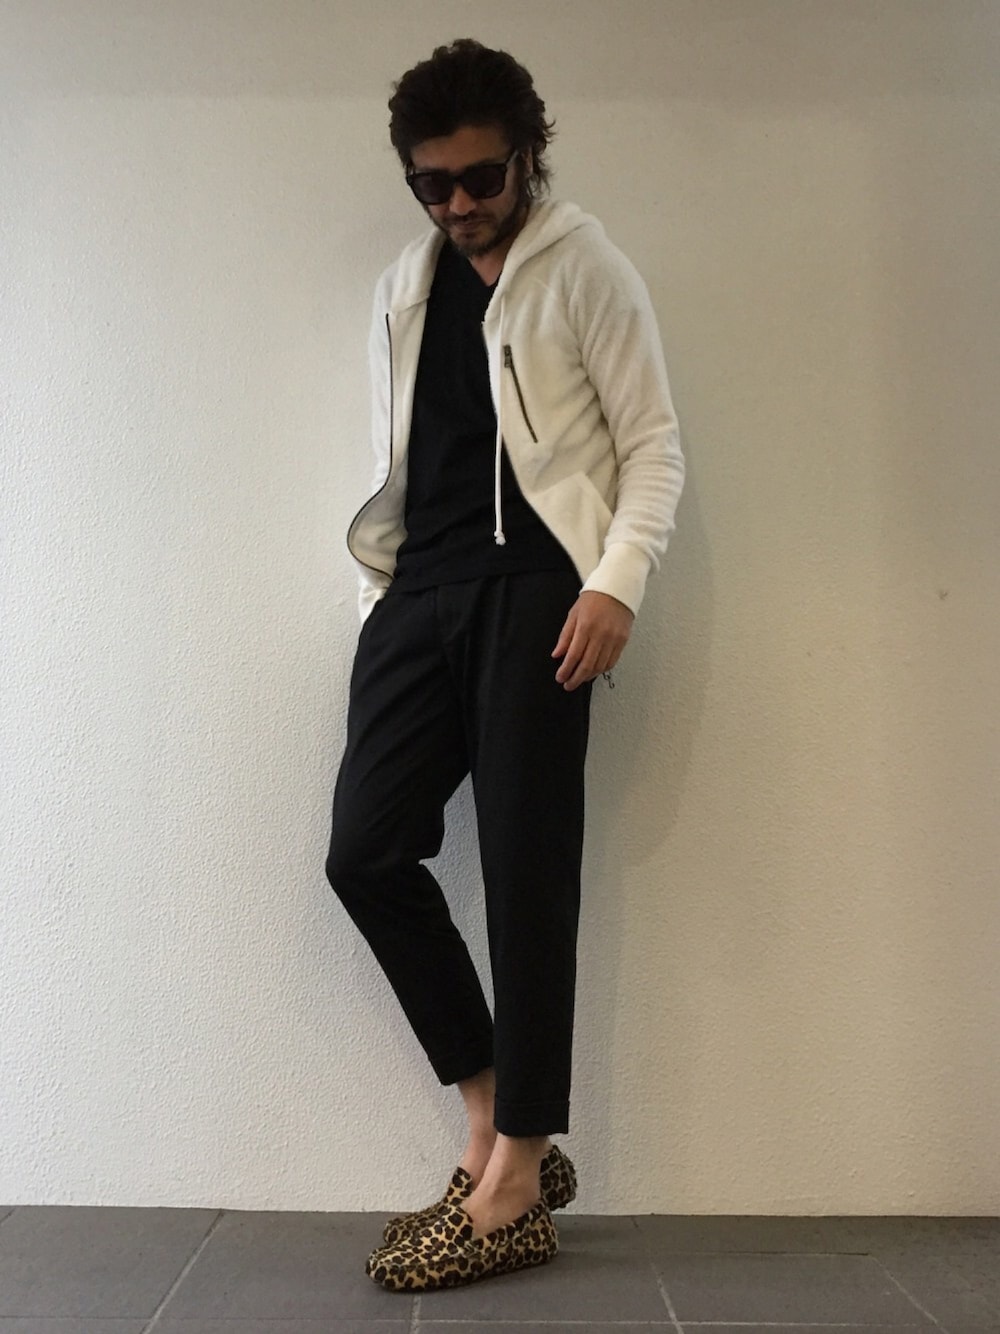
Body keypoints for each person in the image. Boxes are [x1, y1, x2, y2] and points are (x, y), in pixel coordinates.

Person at [326, 38, 684, 1292]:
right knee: (364, 850)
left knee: (528, 870)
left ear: (527, 157)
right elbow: (399, 450)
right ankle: (490, 1113)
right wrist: (377, 598)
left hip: (540, 594)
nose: (459, 203)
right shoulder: (404, 285)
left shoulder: (584, 267)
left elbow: (652, 445)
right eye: (432, 184)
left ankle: (517, 1172)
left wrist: (613, 581)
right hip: (417, 592)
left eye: (481, 177)